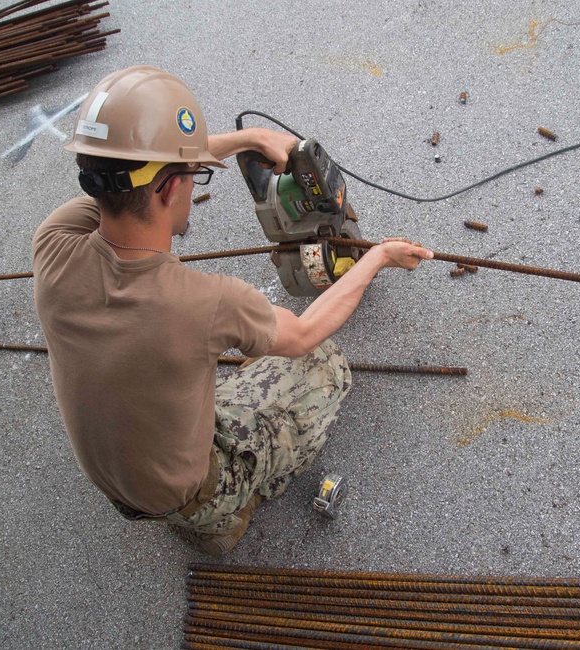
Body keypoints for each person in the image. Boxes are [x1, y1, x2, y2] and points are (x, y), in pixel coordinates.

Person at [32, 65, 432, 555]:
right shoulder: (204, 302)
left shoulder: (53, 242)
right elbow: (303, 332)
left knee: (196, 368)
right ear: (169, 189)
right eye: (194, 173)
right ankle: (217, 515)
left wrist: (250, 138)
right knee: (324, 363)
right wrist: (377, 258)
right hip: (183, 489)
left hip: (112, 478)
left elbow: (123, 175)